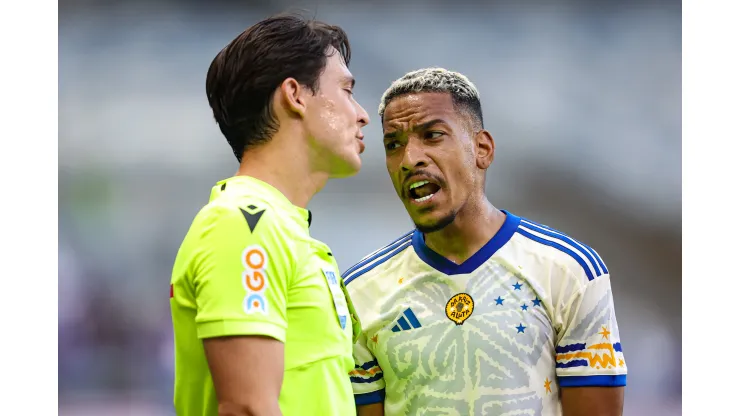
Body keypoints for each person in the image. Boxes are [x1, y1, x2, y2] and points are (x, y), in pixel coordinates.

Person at [343, 68, 627, 416]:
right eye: (393, 144)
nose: (409, 159)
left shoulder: (569, 270)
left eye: (432, 135)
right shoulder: (358, 292)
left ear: (482, 149)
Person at [169, 13, 369, 416]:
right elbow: (246, 407)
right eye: (347, 91)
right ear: (295, 95)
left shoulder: (285, 231)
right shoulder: (243, 223)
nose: (362, 114)